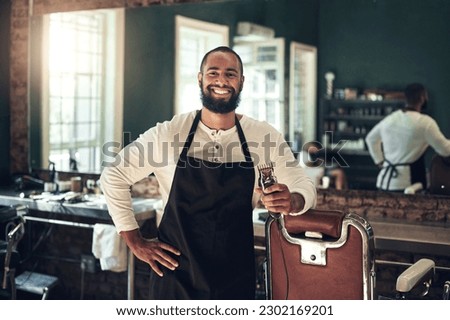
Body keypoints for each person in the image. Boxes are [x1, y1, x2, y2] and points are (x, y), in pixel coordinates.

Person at [100, 46, 316, 300]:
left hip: (235, 277)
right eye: (213, 73)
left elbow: (303, 184)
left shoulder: (263, 136)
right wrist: (134, 241)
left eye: (230, 74)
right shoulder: (170, 134)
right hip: (175, 276)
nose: (222, 81)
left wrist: (294, 200)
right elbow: (113, 175)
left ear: (242, 82)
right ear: (200, 78)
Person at [365, 83, 450, 191]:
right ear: (422, 98)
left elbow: (370, 139)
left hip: (384, 181)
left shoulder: (391, 119)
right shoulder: (425, 123)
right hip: (407, 185)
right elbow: (445, 150)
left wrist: (380, 161)